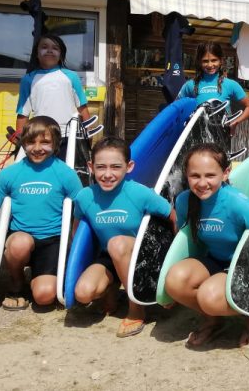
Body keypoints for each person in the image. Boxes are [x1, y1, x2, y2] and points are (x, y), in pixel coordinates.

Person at [164, 143, 249, 349]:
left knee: (208, 297)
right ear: (186, 175)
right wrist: (169, 294)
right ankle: (213, 321)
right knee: (174, 282)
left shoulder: (238, 203)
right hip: (216, 260)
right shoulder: (184, 200)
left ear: (225, 173)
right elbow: (182, 237)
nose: (202, 183)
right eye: (195, 176)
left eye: (210, 175)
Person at [0, 116, 82, 310]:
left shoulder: (66, 174)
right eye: (31, 142)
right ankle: (16, 281)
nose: (37, 148)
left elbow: (81, 212)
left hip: (52, 241)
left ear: (55, 144)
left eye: (45, 142)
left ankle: (41, 277)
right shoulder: (10, 174)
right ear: (23, 143)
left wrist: (74, 249)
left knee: (44, 297)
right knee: (20, 243)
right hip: (20, 238)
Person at [72, 137, 177, 338]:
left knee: (117, 243)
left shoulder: (140, 193)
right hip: (109, 256)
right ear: (91, 167)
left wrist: (171, 264)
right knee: (83, 293)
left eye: (116, 167)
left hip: (143, 258)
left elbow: (173, 218)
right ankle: (113, 288)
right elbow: (77, 234)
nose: (108, 174)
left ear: (129, 167)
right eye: (101, 167)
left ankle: (136, 308)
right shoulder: (85, 197)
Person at [15, 34, 91, 139]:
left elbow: (82, 108)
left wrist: (88, 135)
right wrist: (19, 140)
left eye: (55, 48)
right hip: (40, 137)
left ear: (61, 55)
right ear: (36, 53)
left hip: (69, 136)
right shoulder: (28, 79)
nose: (50, 50)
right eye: (44, 47)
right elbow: (23, 114)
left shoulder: (71, 76)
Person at [176, 42, 249, 130]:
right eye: (205, 61)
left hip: (222, 137)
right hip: (197, 135)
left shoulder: (230, 84)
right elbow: (175, 108)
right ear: (199, 62)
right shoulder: (190, 85)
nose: (210, 65)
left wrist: (235, 122)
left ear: (221, 60)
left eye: (214, 60)